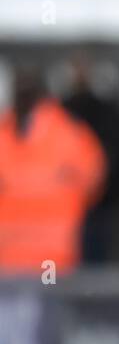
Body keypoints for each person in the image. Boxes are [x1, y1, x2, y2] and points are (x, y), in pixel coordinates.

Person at [0, 65, 106, 276]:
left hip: (47, 262)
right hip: (28, 263)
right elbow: (94, 183)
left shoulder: (70, 136)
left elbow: (93, 182)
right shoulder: (72, 135)